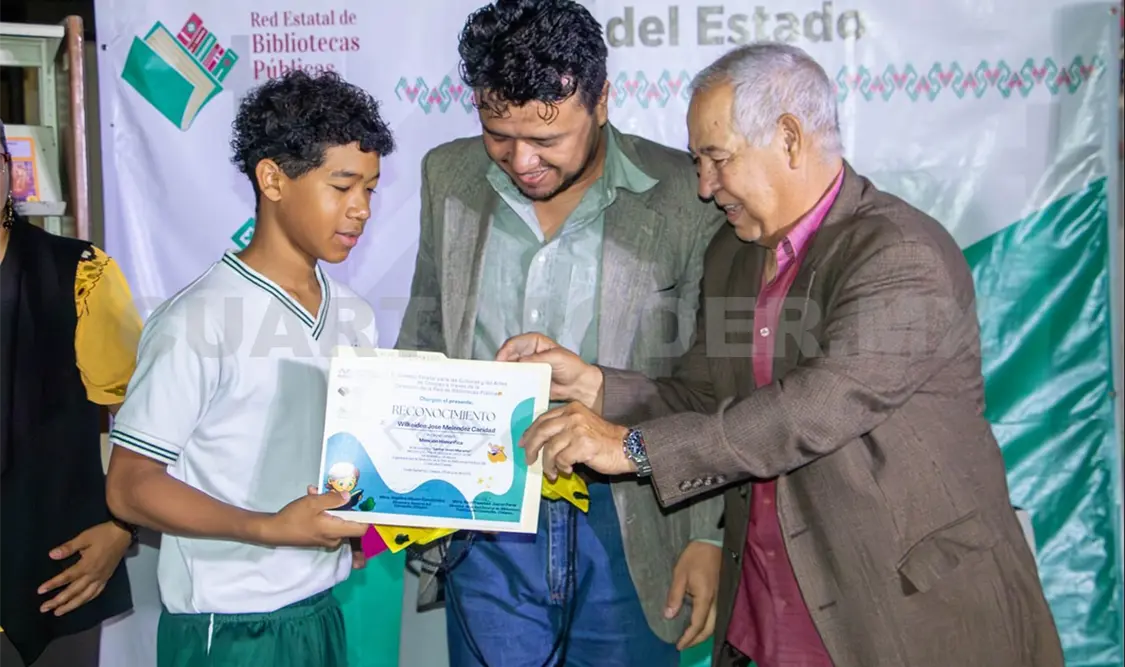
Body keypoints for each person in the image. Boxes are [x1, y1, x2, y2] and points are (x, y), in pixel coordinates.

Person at [499, 43, 1065, 667]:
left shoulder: (901, 254)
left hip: (902, 614)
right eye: (697, 162)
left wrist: (631, 448)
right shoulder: (733, 254)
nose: (704, 187)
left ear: (790, 138)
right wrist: (593, 386)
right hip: (766, 615)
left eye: (717, 160)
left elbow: (811, 410)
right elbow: (705, 396)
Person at [394, 1, 727, 665]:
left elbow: (711, 380)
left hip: (631, 513)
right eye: (497, 134)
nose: (521, 161)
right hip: (486, 518)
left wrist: (708, 534)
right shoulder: (447, 176)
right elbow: (426, 329)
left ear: (600, 101)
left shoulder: (684, 195)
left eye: (546, 140)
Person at [103, 70, 393, 667]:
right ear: (272, 179)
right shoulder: (198, 319)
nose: (361, 209)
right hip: (228, 628)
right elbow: (129, 486)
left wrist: (371, 520)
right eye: (342, 186)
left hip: (322, 610)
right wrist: (269, 527)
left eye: (370, 188)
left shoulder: (357, 317)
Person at [0, 118, 139, 666]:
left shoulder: (80, 275)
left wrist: (122, 527)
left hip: (58, 586)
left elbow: (149, 426)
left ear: (9, 171)